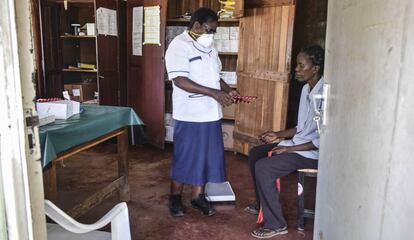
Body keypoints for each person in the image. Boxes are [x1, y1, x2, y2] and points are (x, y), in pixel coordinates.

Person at [165, 7, 239, 217]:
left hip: (210, 114)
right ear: (197, 25)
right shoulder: (179, 46)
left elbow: (216, 76)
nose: (212, 34)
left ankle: (198, 196)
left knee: (206, 157)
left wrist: (228, 90)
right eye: (210, 29)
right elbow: (180, 80)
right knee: (185, 157)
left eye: (214, 30)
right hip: (190, 114)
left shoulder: (210, 48)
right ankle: (175, 198)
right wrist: (214, 93)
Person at [245, 45, 325, 239]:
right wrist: (278, 135)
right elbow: (301, 127)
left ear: (315, 68)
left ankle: (275, 224)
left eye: (300, 65)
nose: (296, 69)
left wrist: (289, 150)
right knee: (256, 154)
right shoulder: (307, 89)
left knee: (265, 168)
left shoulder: (324, 94)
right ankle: (262, 204)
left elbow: (321, 141)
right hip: (299, 145)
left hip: (312, 153)